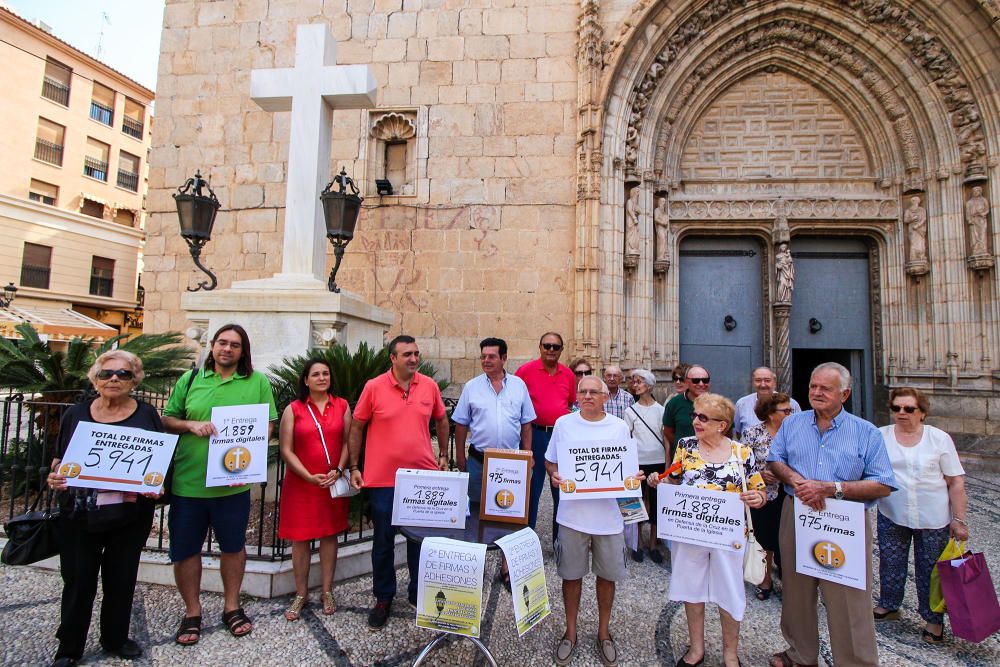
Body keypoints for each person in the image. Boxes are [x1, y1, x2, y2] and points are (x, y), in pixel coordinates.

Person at [767, 362, 896, 667]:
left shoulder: (866, 432)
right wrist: (799, 482)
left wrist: (830, 488)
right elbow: (776, 460)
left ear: (845, 393)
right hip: (797, 510)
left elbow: (883, 483)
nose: (816, 393)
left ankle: (855, 662)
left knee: (848, 594)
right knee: (796, 589)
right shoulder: (793, 424)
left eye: (825, 388)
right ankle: (801, 653)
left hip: (843, 517)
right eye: (813, 386)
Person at [162, 324, 278, 645]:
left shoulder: (257, 382)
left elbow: (268, 422)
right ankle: (192, 611)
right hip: (190, 484)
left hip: (233, 484)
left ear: (243, 352)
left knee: (233, 547)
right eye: (222, 343)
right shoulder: (190, 380)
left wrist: (254, 443)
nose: (227, 349)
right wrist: (190, 424)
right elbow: (168, 419)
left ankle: (232, 605)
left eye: (235, 345)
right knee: (185, 550)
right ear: (212, 346)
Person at [45, 351, 161, 666]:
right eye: (107, 373)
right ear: (95, 379)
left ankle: (115, 637)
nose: (114, 379)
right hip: (80, 514)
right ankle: (69, 648)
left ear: (134, 380)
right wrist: (54, 476)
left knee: (121, 579)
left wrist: (158, 486)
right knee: (79, 581)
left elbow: (159, 460)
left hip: (128, 515)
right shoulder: (76, 414)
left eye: (123, 374)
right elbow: (60, 459)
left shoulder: (146, 415)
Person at [649, 393, 767, 667]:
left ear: (722, 425)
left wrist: (757, 498)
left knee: (730, 591)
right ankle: (696, 649)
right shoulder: (686, 446)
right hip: (691, 532)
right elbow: (674, 481)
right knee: (692, 589)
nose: (695, 421)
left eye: (703, 417)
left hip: (728, 536)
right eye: (694, 415)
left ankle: (730, 654)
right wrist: (660, 481)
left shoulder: (741, 453)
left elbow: (759, 490)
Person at [347, 335, 450, 630]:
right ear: (392, 358)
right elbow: (357, 425)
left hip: (421, 478)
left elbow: (442, 420)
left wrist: (443, 454)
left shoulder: (428, 385)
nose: (413, 359)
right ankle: (383, 597)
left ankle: (418, 593)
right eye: (407, 354)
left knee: (420, 540)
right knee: (383, 541)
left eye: (416, 353)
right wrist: (355, 465)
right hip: (382, 480)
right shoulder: (374, 387)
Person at [545, 375, 644, 667]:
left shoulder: (618, 428)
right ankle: (571, 632)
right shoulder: (564, 424)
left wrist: (633, 480)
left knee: (607, 577)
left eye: (594, 392)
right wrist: (554, 473)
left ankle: (603, 633)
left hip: (609, 519)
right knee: (571, 576)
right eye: (583, 391)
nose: (588, 396)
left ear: (605, 397)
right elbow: (551, 459)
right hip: (573, 517)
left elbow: (629, 469)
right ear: (577, 396)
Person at [873, 387, 968, 644]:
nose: (901, 413)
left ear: (922, 412)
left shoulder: (939, 439)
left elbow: (955, 481)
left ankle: (933, 620)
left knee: (931, 570)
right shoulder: (880, 436)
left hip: (933, 516)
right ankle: (890, 605)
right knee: (890, 563)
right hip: (892, 512)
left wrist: (959, 520)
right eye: (896, 408)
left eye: (909, 409)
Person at [277, 359, 351, 621]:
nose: (322, 378)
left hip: (330, 482)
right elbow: (286, 448)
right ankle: (300, 592)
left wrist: (339, 470)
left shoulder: (342, 405)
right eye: (316, 374)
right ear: (306, 380)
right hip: (302, 484)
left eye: (326, 373)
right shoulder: (294, 409)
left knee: (329, 536)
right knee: (300, 538)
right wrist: (308, 476)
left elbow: (347, 442)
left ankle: (327, 590)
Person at [516, 332, 576, 540]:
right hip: (534, 435)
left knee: (561, 487)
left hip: (560, 438)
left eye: (555, 347)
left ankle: (561, 541)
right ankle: (525, 540)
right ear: (540, 347)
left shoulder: (568, 374)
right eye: (547, 346)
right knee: (531, 489)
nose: (551, 350)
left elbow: (569, 404)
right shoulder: (525, 371)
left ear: (562, 349)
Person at [741, 391, 794, 599]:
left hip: (789, 493)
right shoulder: (753, 433)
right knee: (764, 537)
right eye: (786, 410)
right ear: (772, 414)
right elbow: (742, 464)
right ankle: (765, 579)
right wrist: (760, 475)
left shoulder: (794, 434)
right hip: (763, 493)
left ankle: (789, 579)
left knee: (787, 538)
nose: (790, 413)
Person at [622, 369, 666, 563]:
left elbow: (665, 437)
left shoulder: (661, 410)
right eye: (634, 382)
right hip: (637, 461)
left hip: (657, 460)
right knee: (636, 500)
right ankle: (637, 542)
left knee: (656, 503)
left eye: (639, 382)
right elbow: (627, 438)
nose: (636, 385)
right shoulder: (630, 411)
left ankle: (654, 543)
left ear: (648, 385)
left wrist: (667, 461)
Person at [732, 366, 800, 438]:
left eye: (767, 380)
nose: (763, 384)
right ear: (753, 382)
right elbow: (737, 433)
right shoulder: (742, 404)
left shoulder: (791, 404)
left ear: (774, 382)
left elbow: (799, 430)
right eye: (758, 380)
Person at [662, 364, 710, 460]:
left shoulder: (717, 404)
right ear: (687, 382)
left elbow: (726, 431)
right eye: (696, 380)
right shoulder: (674, 403)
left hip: (710, 459)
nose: (701, 384)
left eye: (705, 380)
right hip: (683, 460)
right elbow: (667, 431)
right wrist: (684, 445)